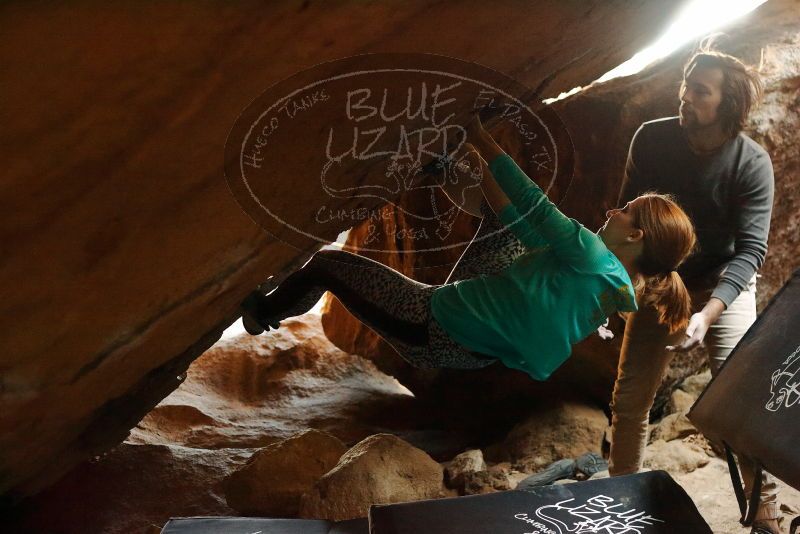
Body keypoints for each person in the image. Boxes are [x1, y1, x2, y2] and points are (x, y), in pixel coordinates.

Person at [241, 114, 696, 387]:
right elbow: (521, 224)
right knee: (509, 231)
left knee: (325, 265)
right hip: (474, 345)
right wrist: (476, 160)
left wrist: (478, 131)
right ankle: (452, 163)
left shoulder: (589, 253)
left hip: (429, 323)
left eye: (626, 211)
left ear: (635, 236)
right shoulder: (607, 284)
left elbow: (533, 203)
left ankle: (263, 314)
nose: (615, 209)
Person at [607, 48, 778, 533]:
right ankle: (620, 500)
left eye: (700, 91)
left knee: (737, 398)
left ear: (727, 104)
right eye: (686, 84)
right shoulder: (653, 139)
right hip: (663, 278)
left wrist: (707, 315)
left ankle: (762, 507)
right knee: (631, 396)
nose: (686, 96)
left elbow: (750, 253)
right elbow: (628, 219)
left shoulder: (751, 163)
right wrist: (625, 284)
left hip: (725, 280)